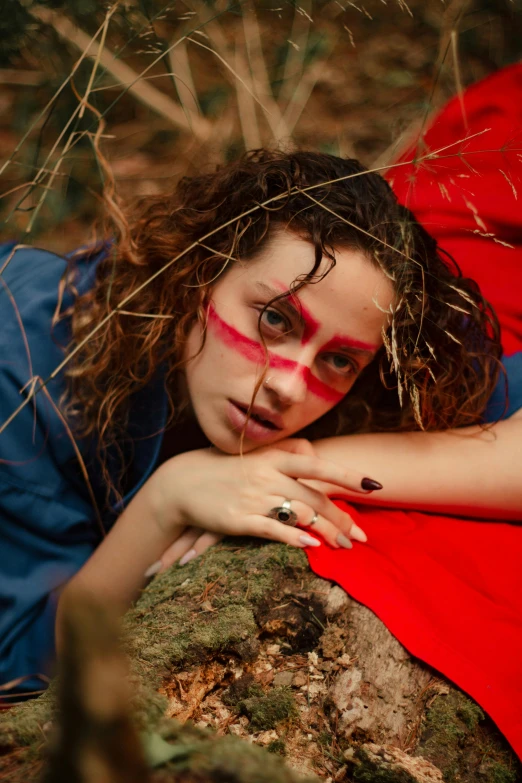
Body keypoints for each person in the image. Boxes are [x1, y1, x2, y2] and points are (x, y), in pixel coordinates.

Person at [0, 137, 520, 700]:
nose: (289, 385)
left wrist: (310, 462)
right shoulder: (26, 372)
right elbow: (26, 668)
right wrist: (166, 500)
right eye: (275, 320)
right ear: (201, 270)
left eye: (339, 359)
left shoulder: (371, 383)